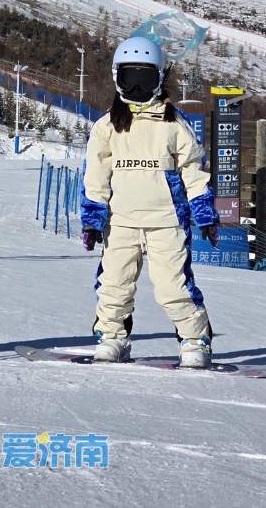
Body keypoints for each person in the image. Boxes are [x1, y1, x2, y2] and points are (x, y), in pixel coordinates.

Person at [80, 36, 219, 368]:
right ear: (118, 79)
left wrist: (204, 211)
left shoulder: (173, 125)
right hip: (122, 220)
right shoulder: (107, 126)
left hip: (166, 222)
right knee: (113, 285)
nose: (138, 87)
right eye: (131, 79)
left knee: (173, 286)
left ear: (160, 78)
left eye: (145, 78)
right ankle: (112, 337)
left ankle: (194, 340)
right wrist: (93, 218)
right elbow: (95, 175)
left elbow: (193, 170)